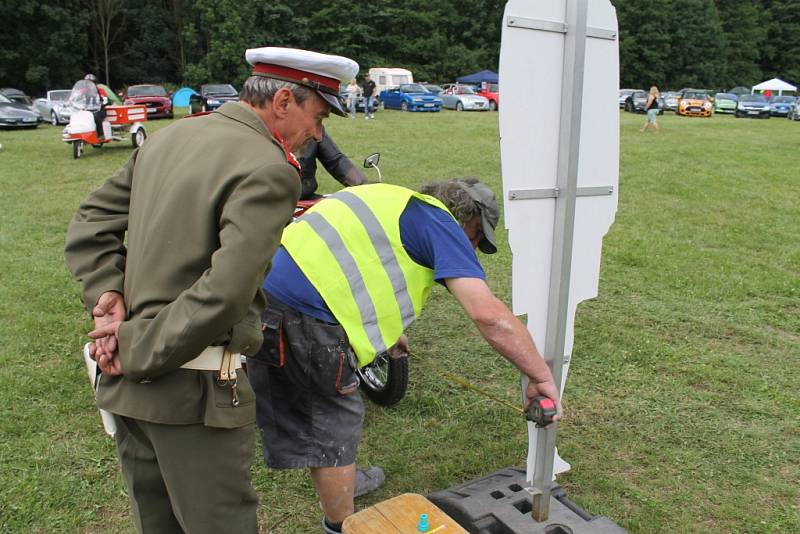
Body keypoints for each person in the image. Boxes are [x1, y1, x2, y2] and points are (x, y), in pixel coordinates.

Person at [64, 46, 358, 534]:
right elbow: (226, 292)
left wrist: (106, 298)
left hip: (126, 388)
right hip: (191, 391)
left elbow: (91, 222)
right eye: (319, 115)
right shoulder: (270, 168)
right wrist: (133, 346)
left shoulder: (168, 137)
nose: (318, 134)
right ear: (283, 100)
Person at [248, 179, 562, 534]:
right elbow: (489, 316)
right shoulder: (440, 223)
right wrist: (541, 377)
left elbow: (354, 261)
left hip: (264, 293)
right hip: (304, 313)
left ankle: (344, 481)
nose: (471, 248)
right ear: (467, 219)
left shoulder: (392, 200)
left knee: (318, 416)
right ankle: (341, 526)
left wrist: (385, 334)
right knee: (333, 423)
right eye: (476, 237)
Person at [297, 127, 368, 200]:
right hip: (286, 202)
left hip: (307, 198)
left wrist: (363, 187)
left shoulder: (315, 126)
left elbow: (335, 160)